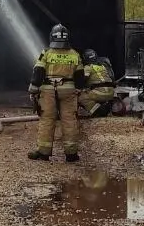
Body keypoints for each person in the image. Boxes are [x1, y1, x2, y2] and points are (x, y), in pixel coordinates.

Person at [27, 23, 87, 162]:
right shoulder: (74, 54)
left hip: (48, 91)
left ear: (52, 37)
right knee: (69, 120)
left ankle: (44, 152)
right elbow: (80, 76)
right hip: (68, 90)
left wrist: (33, 90)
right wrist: (77, 90)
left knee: (47, 119)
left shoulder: (46, 53)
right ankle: (71, 154)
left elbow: (38, 72)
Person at [78, 49, 117, 118]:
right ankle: (105, 105)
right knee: (90, 93)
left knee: (81, 97)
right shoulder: (103, 66)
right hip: (111, 92)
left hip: (100, 92)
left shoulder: (88, 67)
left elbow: (83, 80)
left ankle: (98, 111)